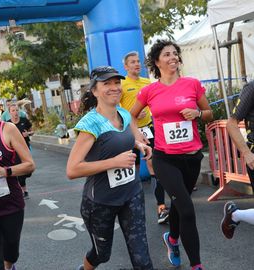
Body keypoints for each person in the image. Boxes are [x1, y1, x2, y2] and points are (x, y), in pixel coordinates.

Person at [130, 39, 213, 270]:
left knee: (180, 203)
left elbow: (209, 113)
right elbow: (131, 116)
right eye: (167, 54)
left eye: (175, 53)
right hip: (165, 157)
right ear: (157, 61)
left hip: (192, 156)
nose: (173, 57)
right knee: (186, 207)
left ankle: (172, 239)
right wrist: (138, 136)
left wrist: (197, 113)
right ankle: (197, 265)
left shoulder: (192, 84)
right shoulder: (149, 90)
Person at [66, 66, 154, 270]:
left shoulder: (123, 113)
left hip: (131, 194)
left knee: (142, 258)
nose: (114, 87)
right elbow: (72, 170)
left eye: (117, 82)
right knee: (101, 254)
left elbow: (127, 139)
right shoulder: (91, 123)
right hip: (100, 202)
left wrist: (139, 145)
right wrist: (114, 162)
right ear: (95, 91)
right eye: (107, 84)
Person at [0, 78, 35, 270]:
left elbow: (30, 165)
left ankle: (9, 265)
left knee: (11, 253)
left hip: (10, 204)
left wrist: (5, 171)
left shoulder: (8, 129)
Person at [121, 51, 169, 224]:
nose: (136, 64)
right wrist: (132, 115)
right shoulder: (121, 84)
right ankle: (129, 208)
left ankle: (161, 207)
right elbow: (117, 110)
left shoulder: (147, 83)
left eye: (138, 61)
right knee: (131, 169)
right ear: (126, 66)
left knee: (153, 164)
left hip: (147, 129)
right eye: (132, 62)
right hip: (129, 131)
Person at [221, 80, 254, 239]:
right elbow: (231, 124)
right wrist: (247, 153)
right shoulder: (252, 88)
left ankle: (235, 215)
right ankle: (235, 215)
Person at [8, 103, 34, 199]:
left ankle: (22, 184)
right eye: (13, 110)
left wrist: (28, 133)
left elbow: (32, 131)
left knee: (29, 171)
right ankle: (24, 190)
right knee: (20, 173)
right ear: (10, 112)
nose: (15, 112)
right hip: (14, 152)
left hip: (26, 149)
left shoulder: (24, 121)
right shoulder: (8, 124)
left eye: (17, 110)